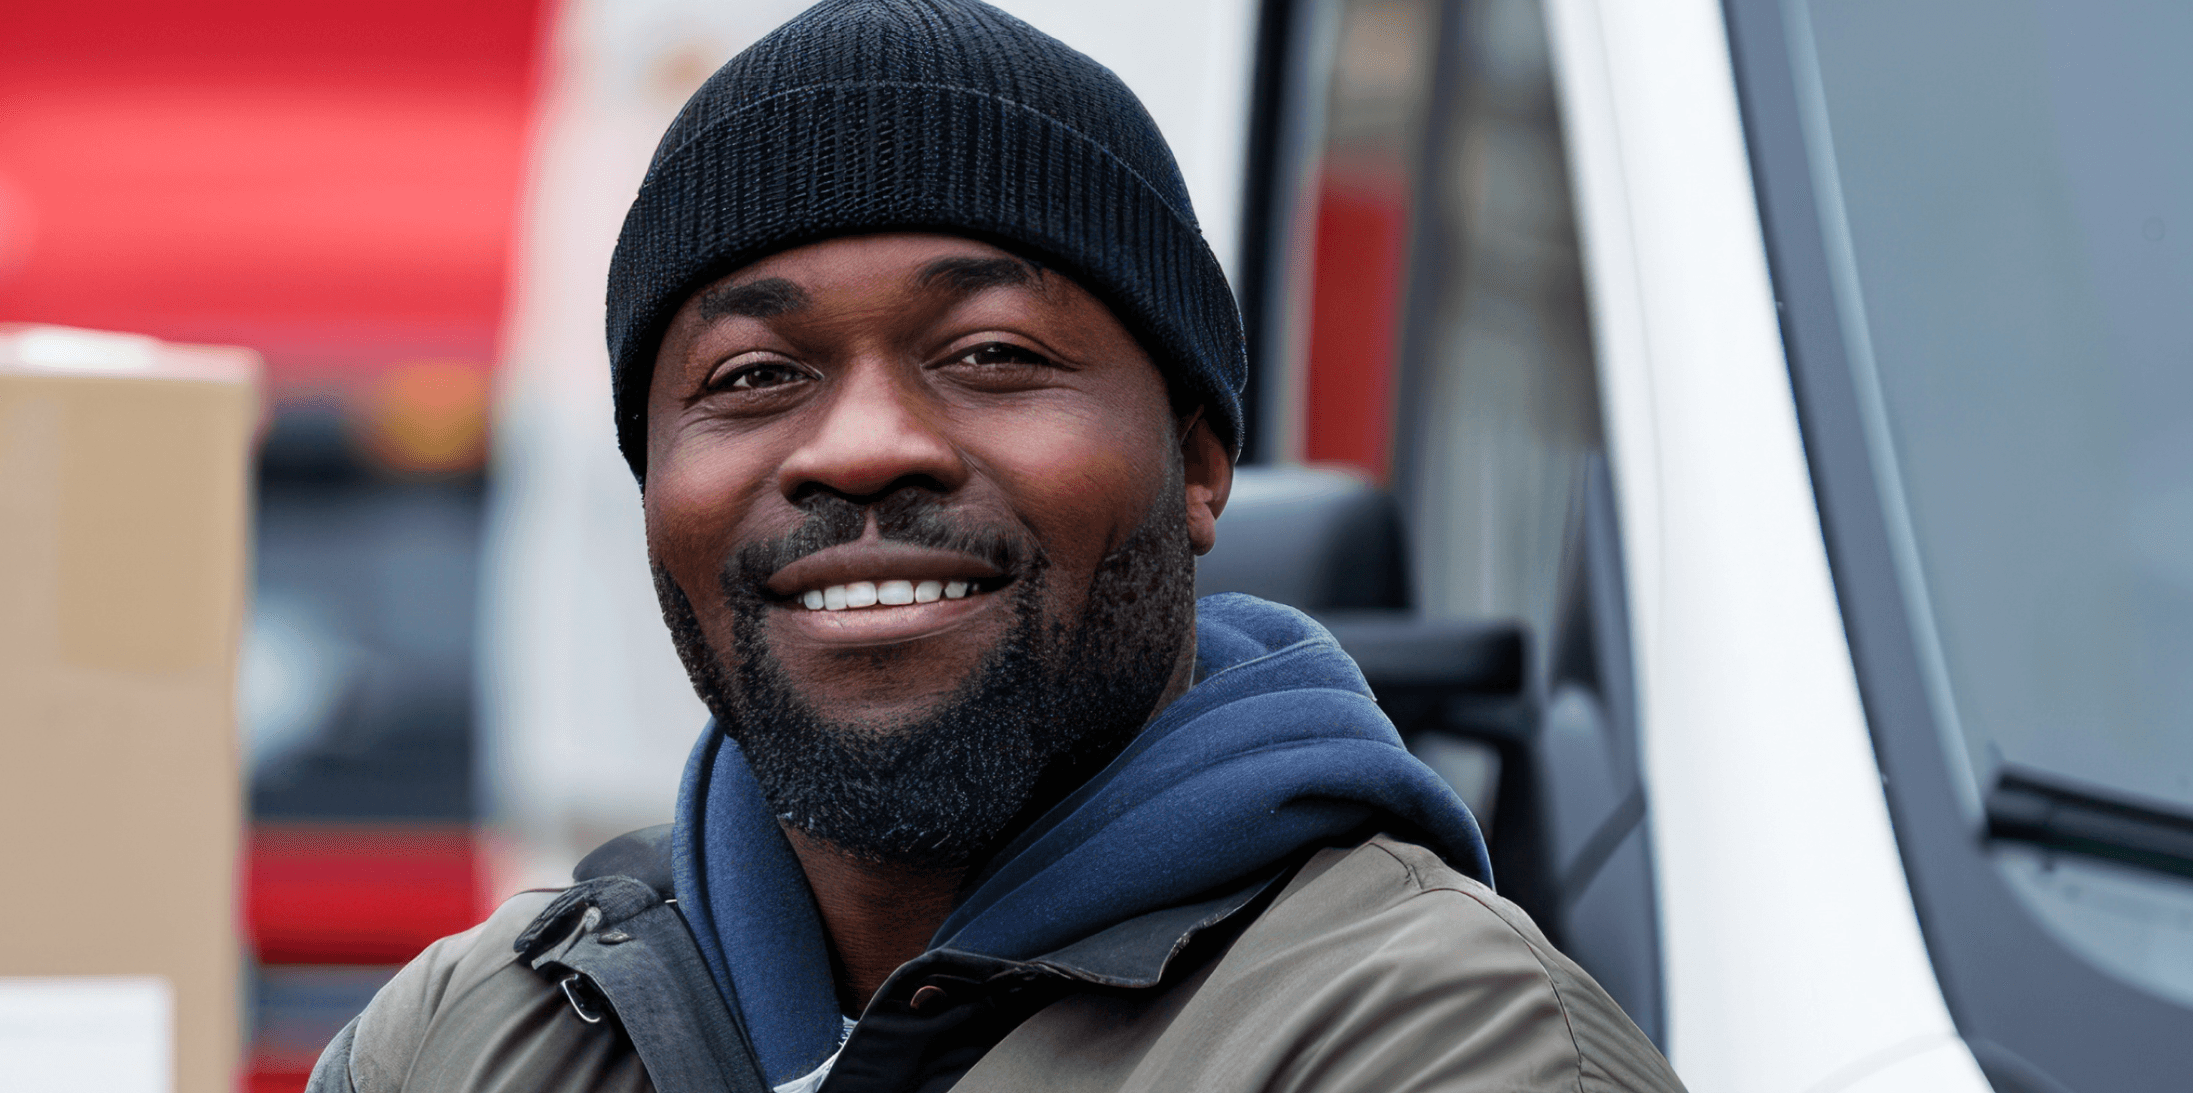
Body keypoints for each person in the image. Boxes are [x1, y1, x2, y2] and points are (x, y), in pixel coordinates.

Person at [311, 1, 1681, 1090]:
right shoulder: (469, 1039)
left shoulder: (1436, 1047)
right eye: (748, 377)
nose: (857, 447)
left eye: (991, 353)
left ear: (1198, 465)